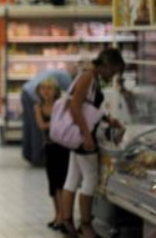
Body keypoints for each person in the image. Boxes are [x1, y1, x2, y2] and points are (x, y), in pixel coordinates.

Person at [59, 48, 125, 238]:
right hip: (83, 136)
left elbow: (88, 108)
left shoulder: (91, 78)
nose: (112, 76)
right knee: (91, 179)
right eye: (112, 71)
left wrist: (108, 120)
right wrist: (87, 135)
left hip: (80, 135)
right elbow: (75, 107)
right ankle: (86, 225)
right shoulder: (88, 78)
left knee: (72, 178)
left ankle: (67, 221)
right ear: (106, 65)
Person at [34, 78, 70, 231]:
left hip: (62, 147)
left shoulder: (60, 105)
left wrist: (54, 123)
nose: (46, 91)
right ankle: (57, 215)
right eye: (43, 88)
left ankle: (63, 216)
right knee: (53, 183)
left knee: (62, 182)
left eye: (49, 88)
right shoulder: (38, 106)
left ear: (56, 91)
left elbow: (65, 122)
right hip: (49, 147)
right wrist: (56, 123)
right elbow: (42, 125)